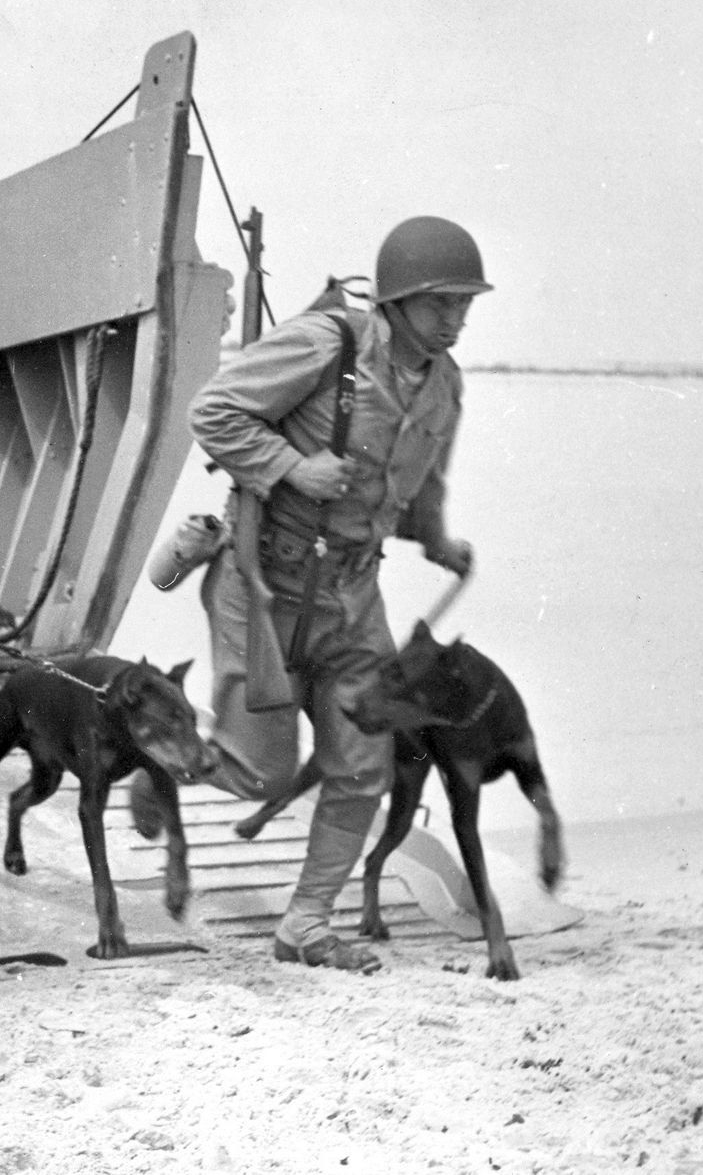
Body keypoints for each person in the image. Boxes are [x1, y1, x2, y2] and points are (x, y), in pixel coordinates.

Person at [156, 216, 487, 974]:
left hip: (352, 594)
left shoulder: (445, 386)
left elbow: (421, 484)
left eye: (465, 303)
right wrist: (292, 468)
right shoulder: (325, 345)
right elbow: (212, 412)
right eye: (441, 302)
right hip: (262, 585)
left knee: (365, 761)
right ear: (397, 299)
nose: (456, 318)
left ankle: (305, 924)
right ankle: (161, 770)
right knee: (262, 774)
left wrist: (436, 539)